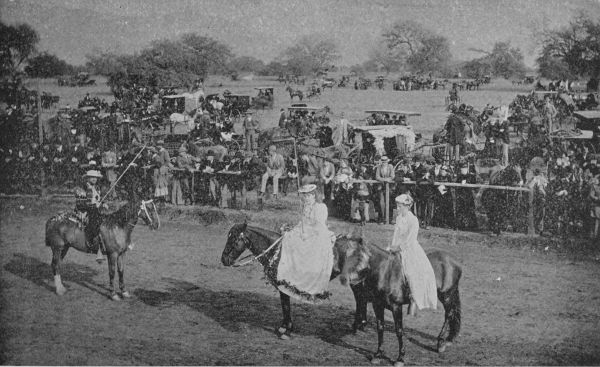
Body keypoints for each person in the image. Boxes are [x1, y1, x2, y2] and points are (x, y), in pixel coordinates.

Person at [277, 184, 335, 303]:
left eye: (309, 196)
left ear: (314, 196)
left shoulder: (320, 207)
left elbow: (319, 225)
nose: (306, 198)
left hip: (318, 234)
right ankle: (291, 273)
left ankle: (308, 278)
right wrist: (294, 229)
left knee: (304, 246)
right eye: (305, 196)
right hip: (307, 231)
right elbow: (303, 223)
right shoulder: (306, 207)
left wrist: (306, 233)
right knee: (288, 238)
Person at [385, 194, 437, 316]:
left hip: (409, 249)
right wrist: (392, 247)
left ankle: (414, 298)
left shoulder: (413, 220)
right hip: (397, 247)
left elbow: (410, 240)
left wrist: (399, 248)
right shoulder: (398, 218)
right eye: (397, 206)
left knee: (410, 271)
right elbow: (396, 235)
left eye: (400, 206)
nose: (398, 208)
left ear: (407, 206)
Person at [75, 170, 106, 263]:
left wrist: (103, 203)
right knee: (95, 223)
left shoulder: (96, 188)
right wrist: (95, 206)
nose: (94, 179)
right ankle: (96, 248)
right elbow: (82, 203)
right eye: (92, 177)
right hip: (85, 212)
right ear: (87, 178)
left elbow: (99, 199)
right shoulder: (84, 188)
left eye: (95, 177)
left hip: (96, 211)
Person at [375, 156, 395, 224]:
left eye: (385, 162)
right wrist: (385, 180)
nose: (384, 163)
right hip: (381, 186)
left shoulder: (390, 166)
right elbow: (377, 177)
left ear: (387, 162)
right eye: (383, 162)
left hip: (389, 187)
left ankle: (390, 219)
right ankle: (381, 219)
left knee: (390, 203)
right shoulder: (379, 167)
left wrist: (388, 179)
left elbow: (392, 176)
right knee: (381, 203)